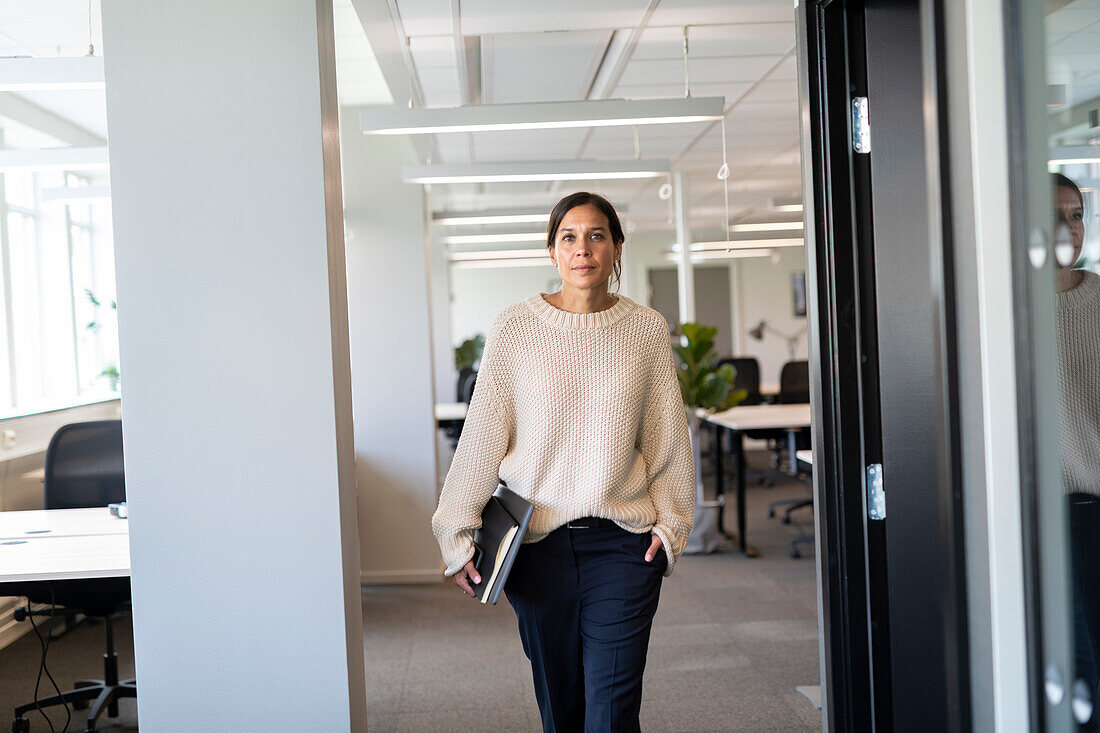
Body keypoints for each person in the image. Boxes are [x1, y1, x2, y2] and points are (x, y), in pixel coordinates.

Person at [431, 191, 695, 732]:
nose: (583, 249)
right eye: (569, 237)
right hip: (536, 548)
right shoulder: (515, 328)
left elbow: (668, 440)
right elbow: (483, 438)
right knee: (562, 710)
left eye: (597, 235)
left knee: (612, 713)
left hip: (622, 546)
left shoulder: (644, 330)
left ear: (617, 249)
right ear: (552, 251)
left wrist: (671, 528)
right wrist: (454, 532)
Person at [1052, 172, 1100, 730]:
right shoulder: (1000, 311)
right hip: (1044, 519)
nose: (1068, 228)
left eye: (1077, 214)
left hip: (1097, 511)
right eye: (1055, 216)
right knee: (1081, 668)